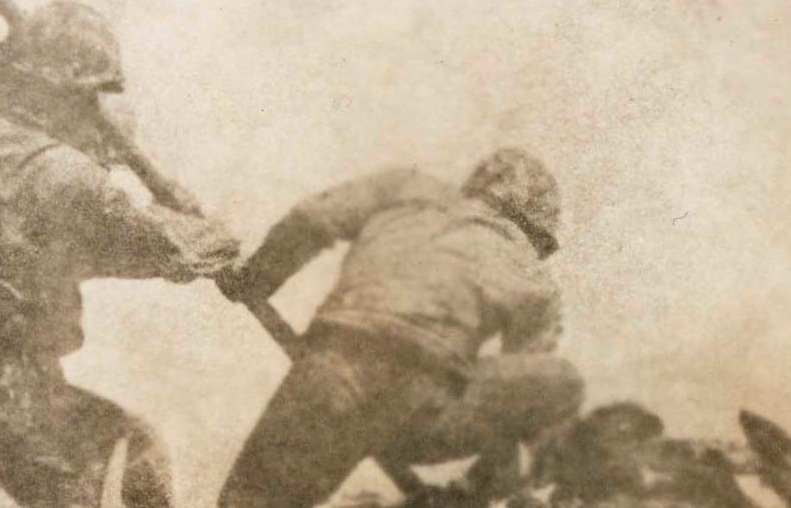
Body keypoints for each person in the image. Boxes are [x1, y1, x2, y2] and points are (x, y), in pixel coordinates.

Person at [0, 1, 240, 508]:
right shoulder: (67, 175)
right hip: (4, 384)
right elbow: (160, 245)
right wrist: (215, 237)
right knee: (131, 455)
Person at [214, 149, 584, 508]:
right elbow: (522, 394)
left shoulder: (407, 187)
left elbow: (311, 219)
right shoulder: (533, 275)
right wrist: (476, 490)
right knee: (559, 382)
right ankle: (467, 495)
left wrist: (255, 280)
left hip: (328, 371)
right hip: (417, 409)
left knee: (253, 501)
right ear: (536, 230)